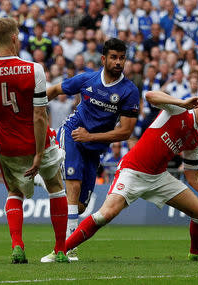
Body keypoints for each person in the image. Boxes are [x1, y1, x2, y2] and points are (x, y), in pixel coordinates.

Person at [58, 84, 198, 262]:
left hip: (158, 178)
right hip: (133, 170)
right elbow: (150, 96)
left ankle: (195, 254)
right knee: (104, 215)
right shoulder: (179, 110)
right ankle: (60, 251)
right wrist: (181, 102)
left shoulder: (196, 140)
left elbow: (194, 177)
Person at [0, 17, 69, 264]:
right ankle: (61, 249)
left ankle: (18, 246)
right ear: (13, 38)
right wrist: (39, 153)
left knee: (14, 190)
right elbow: (40, 116)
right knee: (55, 187)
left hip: (7, 145)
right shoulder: (35, 69)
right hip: (36, 142)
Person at [44, 38, 139, 261]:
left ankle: (48, 184)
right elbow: (56, 89)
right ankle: (66, 248)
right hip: (73, 133)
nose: (118, 62)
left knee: (80, 206)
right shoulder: (88, 78)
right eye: (114, 57)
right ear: (104, 59)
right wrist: (32, 105)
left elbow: (125, 132)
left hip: (94, 146)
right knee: (74, 185)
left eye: (122, 58)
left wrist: (91, 137)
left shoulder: (129, 91)